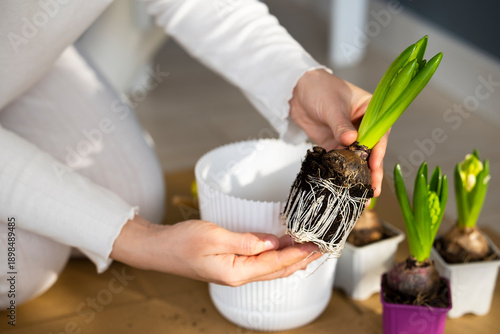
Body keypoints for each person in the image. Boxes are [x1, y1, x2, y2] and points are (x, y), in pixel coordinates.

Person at [0, 0, 388, 307]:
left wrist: (300, 79)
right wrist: (143, 242)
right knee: (24, 266)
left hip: (23, 57)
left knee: (135, 196)